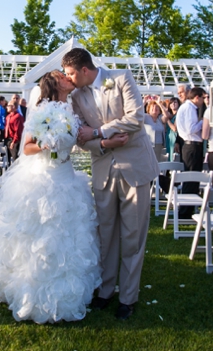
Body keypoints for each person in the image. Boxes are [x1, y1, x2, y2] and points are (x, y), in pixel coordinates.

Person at [0, 71, 101, 324]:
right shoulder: (40, 111)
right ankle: (29, 284)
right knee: (38, 231)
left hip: (67, 175)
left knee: (70, 231)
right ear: (54, 83)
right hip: (43, 177)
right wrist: (46, 144)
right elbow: (27, 147)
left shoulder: (71, 108)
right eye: (63, 76)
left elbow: (79, 138)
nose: (68, 77)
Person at [63, 47, 159, 320]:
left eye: (71, 73)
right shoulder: (76, 97)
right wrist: (104, 142)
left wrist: (98, 130)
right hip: (103, 168)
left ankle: (128, 297)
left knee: (133, 236)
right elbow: (80, 138)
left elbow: (135, 119)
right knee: (106, 234)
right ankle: (105, 291)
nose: (68, 79)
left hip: (135, 168)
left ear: (84, 69)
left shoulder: (120, 78)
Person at [176, 87, 207, 201]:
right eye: (203, 98)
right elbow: (191, 129)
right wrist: (203, 121)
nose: (203, 101)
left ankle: (188, 208)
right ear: (197, 97)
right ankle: (186, 210)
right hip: (192, 146)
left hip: (191, 146)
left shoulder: (187, 107)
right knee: (191, 179)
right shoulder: (189, 108)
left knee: (192, 179)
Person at [159, 97, 180, 161]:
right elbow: (165, 114)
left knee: (174, 157)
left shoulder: (179, 114)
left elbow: (174, 128)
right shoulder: (171, 115)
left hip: (175, 138)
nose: (173, 104)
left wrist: (167, 119)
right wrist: (160, 104)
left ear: (178, 104)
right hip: (169, 139)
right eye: (171, 103)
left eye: (175, 102)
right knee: (168, 156)